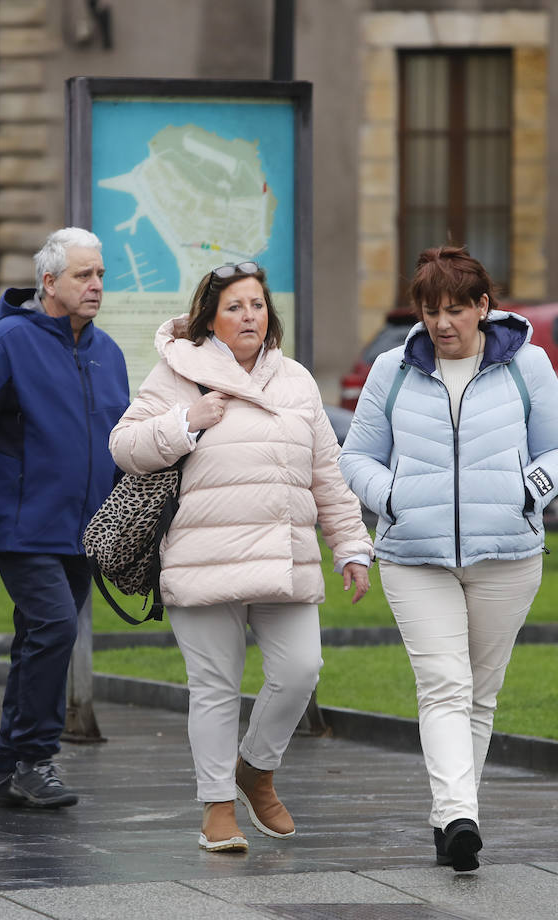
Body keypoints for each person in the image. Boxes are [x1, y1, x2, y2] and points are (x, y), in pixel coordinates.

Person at [108, 260, 373, 853]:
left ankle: (256, 769)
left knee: (301, 669)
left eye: (257, 304)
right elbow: (124, 447)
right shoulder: (179, 374)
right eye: (234, 306)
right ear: (210, 318)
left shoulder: (298, 381)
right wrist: (184, 423)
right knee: (214, 687)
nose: (249, 315)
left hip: (284, 555)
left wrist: (351, 544)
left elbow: (327, 475)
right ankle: (217, 807)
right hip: (204, 558)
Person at [338, 245, 558, 872]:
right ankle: (460, 816)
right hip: (413, 556)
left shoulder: (528, 365)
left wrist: (526, 491)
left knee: (479, 692)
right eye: (429, 311)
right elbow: (355, 457)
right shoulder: (393, 369)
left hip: (507, 554)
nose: (442, 324)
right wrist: (389, 496)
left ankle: (450, 818)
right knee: (443, 684)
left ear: (483, 307)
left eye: (455, 310)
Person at [0, 227, 128, 810]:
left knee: (36, 639)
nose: (95, 286)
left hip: (84, 530)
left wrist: (120, 525)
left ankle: (8, 768)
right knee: (55, 628)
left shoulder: (108, 352)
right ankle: (35, 758)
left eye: (100, 275)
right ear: (49, 282)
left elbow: (114, 444)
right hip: (22, 526)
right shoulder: (6, 342)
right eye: (83, 275)